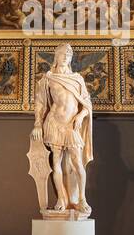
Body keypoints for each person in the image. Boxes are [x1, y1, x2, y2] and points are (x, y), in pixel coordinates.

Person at [30, 43, 94, 218]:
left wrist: (81, 117)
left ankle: (81, 198)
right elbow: (41, 103)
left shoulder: (77, 79)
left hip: (72, 124)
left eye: (69, 54)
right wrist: (37, 124)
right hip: (54, 123)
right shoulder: (47, 79)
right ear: (56, 56)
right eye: (62, 53)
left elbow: (87, 103)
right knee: (56, 163)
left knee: (77, 162)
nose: (66, 56)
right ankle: (61, 199)